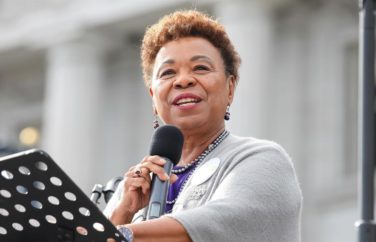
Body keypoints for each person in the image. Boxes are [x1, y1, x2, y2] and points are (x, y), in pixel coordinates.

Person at [104, 10, 302, 242]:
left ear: (230, 88)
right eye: (168, 72)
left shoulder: (261, 159)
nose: (183, 80)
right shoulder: (133, 188)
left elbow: (222, 225)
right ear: (153, 98)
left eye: (200, 68)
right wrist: (122, 212)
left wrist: (123, 234)